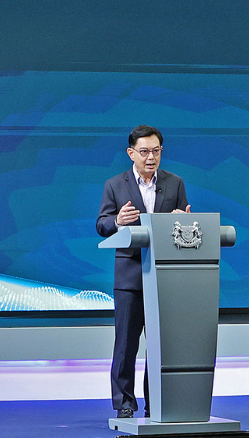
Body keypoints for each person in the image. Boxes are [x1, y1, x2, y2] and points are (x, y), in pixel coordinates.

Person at [96, 125, 189, 419]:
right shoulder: (115, 185)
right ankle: (124, 402)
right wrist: (118, 222)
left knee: (161, 346)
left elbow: (184, 224)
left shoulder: (175, 184)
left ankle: (157, 401)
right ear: (131, 153)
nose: (152, 157)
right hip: (130, 277)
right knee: (126, 345)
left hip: (164, 277)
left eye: (157, 151)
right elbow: (101, 224)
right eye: (145, 151)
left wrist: (183, 221)